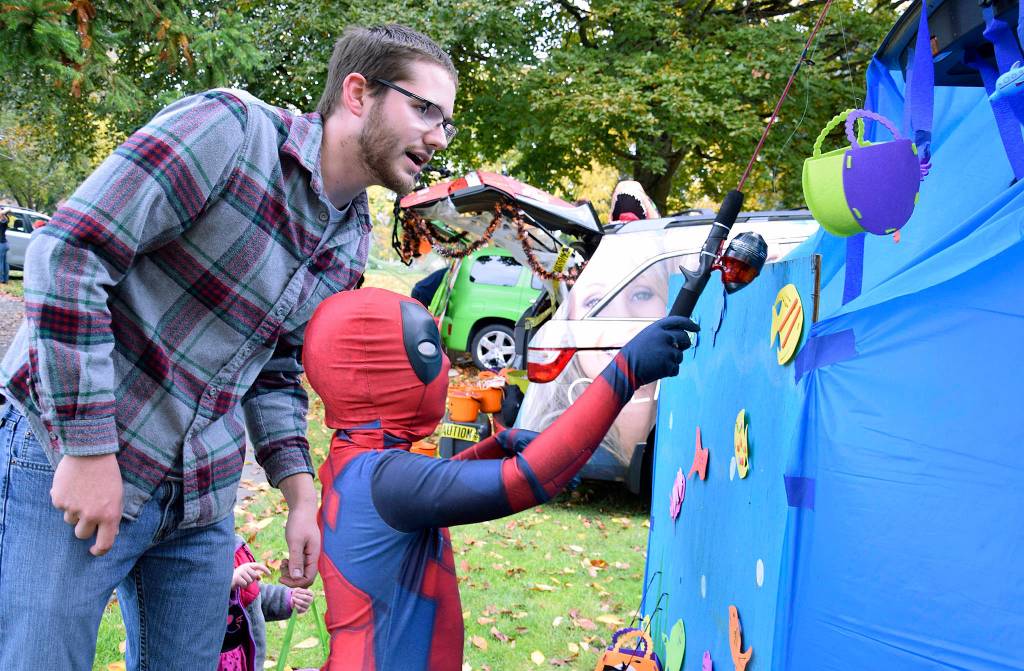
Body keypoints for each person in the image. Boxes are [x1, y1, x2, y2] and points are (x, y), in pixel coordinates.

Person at [0, 24, 458, 671]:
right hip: (70, 458)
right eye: (425, 109)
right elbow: (69, 253)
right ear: (358, 92)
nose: (438, 137)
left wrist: (300, 492)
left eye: (447, 122)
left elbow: (274, 368)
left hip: (199, 497)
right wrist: (88, 445)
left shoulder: (351, 236)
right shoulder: (230, 132)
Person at [302, 287, 697, 670]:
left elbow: (439, 483)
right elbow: (528, 480)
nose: (442, 364)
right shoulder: (386, 477)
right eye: (427, 350)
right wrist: (625, 372)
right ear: (374, 370)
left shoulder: (352, 458)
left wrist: (499, 443)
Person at [219, 536, 314, 671]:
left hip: (241, 659)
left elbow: (253, 596)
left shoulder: (236, 548)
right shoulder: (186, 554)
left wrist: (287, 598)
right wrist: (224, 584)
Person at [0, 206, 10, 282]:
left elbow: (8, 210)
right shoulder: (3, 219)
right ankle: (4, 279)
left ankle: (2, 279)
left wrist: (2, 211)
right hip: (4, 243)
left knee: (1, 262)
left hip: (2, 244)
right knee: (4, 262)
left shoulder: (4, 219)